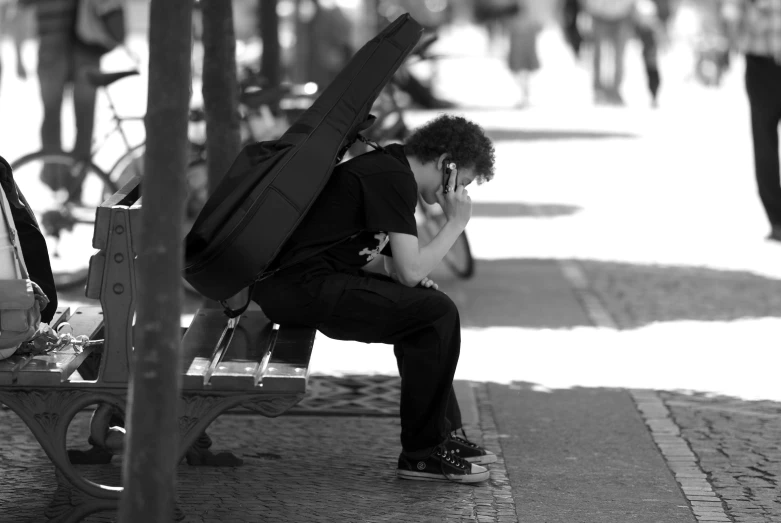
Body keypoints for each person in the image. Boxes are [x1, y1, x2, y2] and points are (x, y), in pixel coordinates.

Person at [252, 114, 497, 483]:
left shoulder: (391, 168)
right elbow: (411, 269)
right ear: (447, 163)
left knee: (428, 312)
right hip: (301, 289)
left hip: (304, 283)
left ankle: (438, 437)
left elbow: (384, 262)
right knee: (435, 314)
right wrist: (455, 224)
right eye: (464, 179)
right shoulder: (393, 178)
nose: (462, 192)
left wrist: (402, 274)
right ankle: (422, 453)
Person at [20, 0, 124, 197]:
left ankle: (55, 177)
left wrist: (18, 52)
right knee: (83, 120)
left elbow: (21, 8)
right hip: (86, 49)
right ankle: (75, 183)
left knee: (52, 116)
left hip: (54, 47)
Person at [724, 0, 781, 241]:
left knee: (764, 140)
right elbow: (732, 13)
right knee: (764, 142)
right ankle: (777, 219)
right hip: (762, 64)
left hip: (761, 60)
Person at [583, 0, 637, 105]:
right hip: (599, 16)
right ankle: (599, 89)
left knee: (619, 55)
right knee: (598, 54)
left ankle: (615, 89)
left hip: (622, 16)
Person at [507, 1, 542, 108]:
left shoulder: (528, 16)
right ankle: (525, 96)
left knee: (524, 75)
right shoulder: (514, 20)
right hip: (520, 51)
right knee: (522, 75)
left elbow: (538, 27)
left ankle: (525, 96)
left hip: (525, 51)